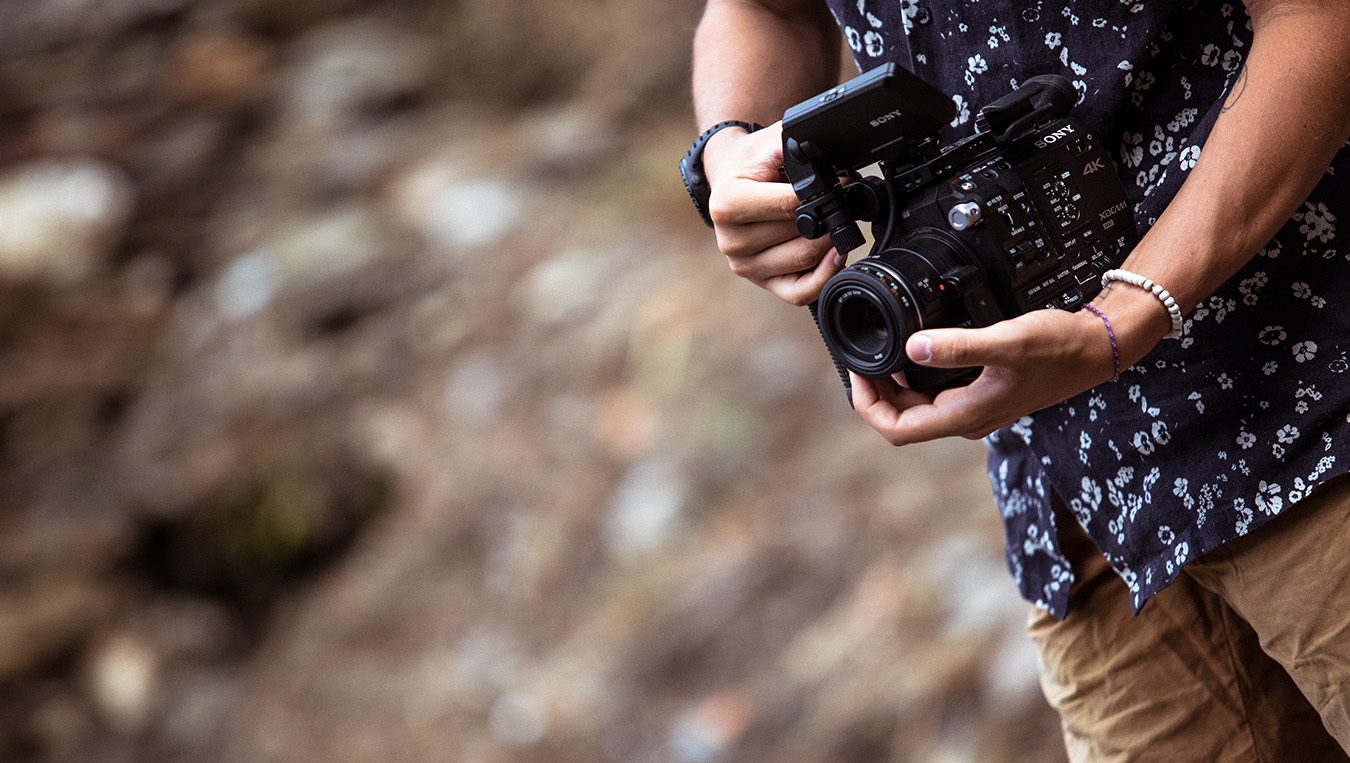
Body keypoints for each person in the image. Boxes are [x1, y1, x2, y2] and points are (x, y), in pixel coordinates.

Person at [681, 0, 1350, 759]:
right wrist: (729, 152)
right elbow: (765, 10)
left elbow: (1317, 15)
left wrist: (1131, 310)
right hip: (1079, 494)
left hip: (1308, 406)